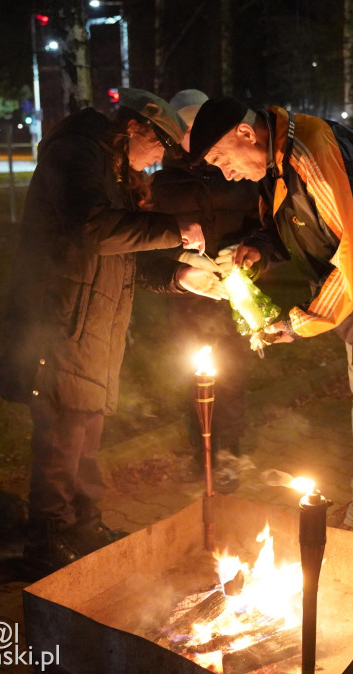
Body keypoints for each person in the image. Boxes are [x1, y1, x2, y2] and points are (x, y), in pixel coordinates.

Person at [188, 96, 353, 536]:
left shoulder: (312, 153)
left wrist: (300, 321)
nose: (225, 171)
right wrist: (260, 248)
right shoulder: (280, 157)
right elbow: (291, 225)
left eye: (221, 158)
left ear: (245, 133)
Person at [0, 88, 227, 576]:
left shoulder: (115, 171)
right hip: (57, 321)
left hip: (92, 324)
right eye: (161, 147)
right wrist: (175, 228)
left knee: (86, 432)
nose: (160, 160)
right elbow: (92, 231)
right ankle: (46, 541)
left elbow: (119, 259)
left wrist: (179, 278)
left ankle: (83, 524)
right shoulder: (76, 152)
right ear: (139, 129)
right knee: (61, 437)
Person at [137, 89, 261, 494]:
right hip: (186, 300)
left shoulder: (233, 172)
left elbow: (259, 226)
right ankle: (202, 454)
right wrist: (182, 267)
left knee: (234, 377)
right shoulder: (161, 183)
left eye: (197, 128)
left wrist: (247, 254)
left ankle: (231, 454)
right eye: (186, 128)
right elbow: (147, 246)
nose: (192, 137)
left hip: (232, 293)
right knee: (195, 377)